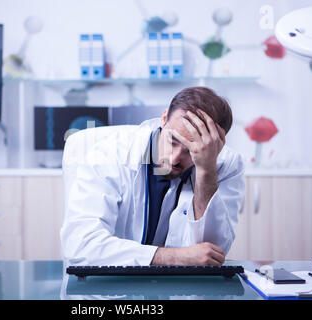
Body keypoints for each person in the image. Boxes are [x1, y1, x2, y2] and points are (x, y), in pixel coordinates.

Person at [60, 86, 245, 266]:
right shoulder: (109, 154)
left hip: (183, 290)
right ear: (163, 119)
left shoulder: (225, 166)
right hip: (108, 289)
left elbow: (212, 254)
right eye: (172, 141)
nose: (174, 158)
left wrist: (206, 172)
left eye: (191, 150)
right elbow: (80, 245)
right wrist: (175, 257)